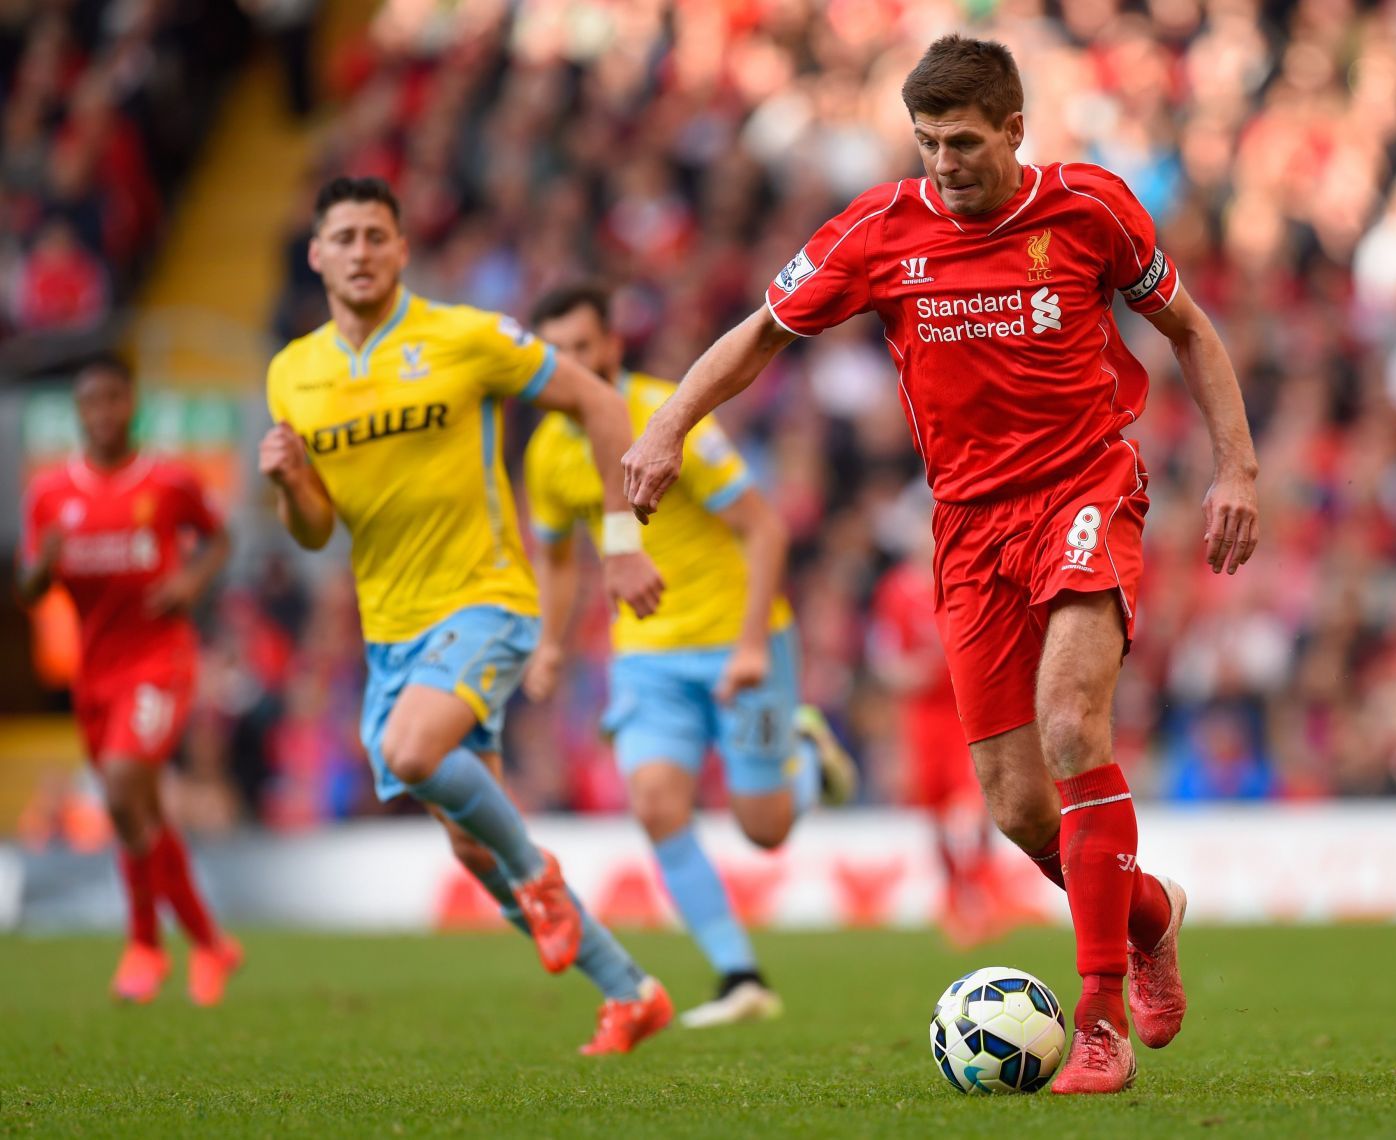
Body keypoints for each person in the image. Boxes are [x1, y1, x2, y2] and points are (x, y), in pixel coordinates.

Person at [622, 35, 1260, 1093]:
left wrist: (1236, 468)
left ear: (1014, 129)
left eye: (964, 141)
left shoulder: (1090, 209)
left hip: (1087, 490)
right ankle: (1147, 913)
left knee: (1071, 725)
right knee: (1015, 806)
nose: (945, 163)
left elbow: (1188, 330)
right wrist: (668, 429)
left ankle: (1096, 1021)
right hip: (968, 530)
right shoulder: (880, 230)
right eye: (927, 143)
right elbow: (759, 334)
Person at [259, 176, 670, 1054]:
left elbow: (601, 401)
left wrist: (619, 540)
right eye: (346, 237)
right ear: (317, 253)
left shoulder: (466, 336)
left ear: (403, 249)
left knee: (407, 752)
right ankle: (629, 990)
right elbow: (313, 532)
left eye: (378, 235)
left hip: (486, 598)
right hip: (390, 626)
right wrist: (293, 484)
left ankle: (539, 871)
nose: (362, 252)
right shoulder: (292, 372)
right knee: (469, 851)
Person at [521, 282, 856, 1028]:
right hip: (646, 657)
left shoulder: (671, 417)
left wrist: (748, 646)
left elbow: (764, 529)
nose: (569, 365)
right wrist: (549, 643)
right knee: (656, 804)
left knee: (763, 828)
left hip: (741, 641)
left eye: (582, 347)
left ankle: (803, 748)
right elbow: (557, 560)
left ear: (611, 344)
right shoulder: (547, 451)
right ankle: (738, 974)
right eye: (555, 353)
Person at [18, 355, 240, 1005]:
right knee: (133, 808)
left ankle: (144, 945)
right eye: (93, 402)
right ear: (79, 413)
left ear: (132, 404)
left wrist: (192, 582)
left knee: (122, 783)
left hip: (160, 659)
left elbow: (219, 539)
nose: (105, 413)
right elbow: (31, 586)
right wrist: (44, 568)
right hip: (96, 671)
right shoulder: (52, 494)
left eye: (116, 399)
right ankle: (209, 941)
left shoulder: (168, 482)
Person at [869, 530, 1000, 948]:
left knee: (974, 802)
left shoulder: (965, 580)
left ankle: (979, 890)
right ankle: (954, 895)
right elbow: (885, 660)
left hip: (969, 710)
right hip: (922, 716)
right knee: (936, 808)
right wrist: (910, 673)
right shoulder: (896, 591)